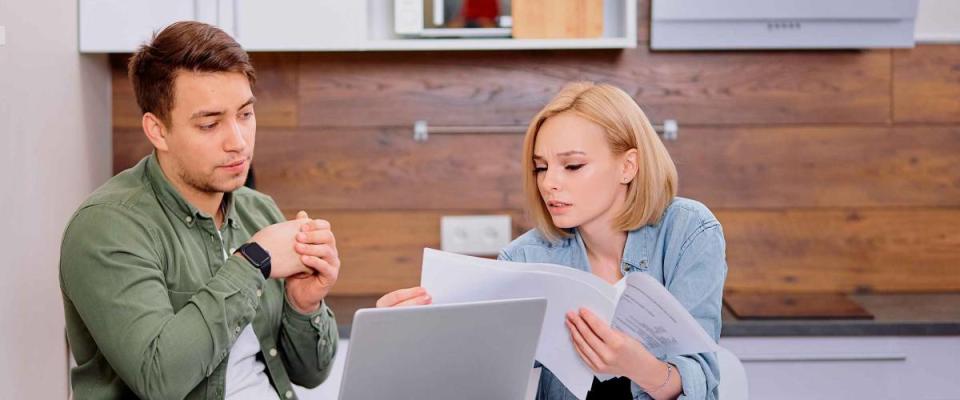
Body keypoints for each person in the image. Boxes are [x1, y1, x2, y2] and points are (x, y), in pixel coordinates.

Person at [377, 82, 726, 400]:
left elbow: (701, 379)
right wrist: (409, 341)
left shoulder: (689, 232)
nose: (549, 184)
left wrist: (639, 366)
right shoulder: (523, 259)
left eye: (572, 166)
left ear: (628, 166)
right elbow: (487, 381)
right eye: (541, 168)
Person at [60, 21, 339, 400]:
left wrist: (304, 304)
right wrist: (253, 261)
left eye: (245, 115)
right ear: (157, 130)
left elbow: (311, 374)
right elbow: (159, 379)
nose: (238, 142)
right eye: (210, 124)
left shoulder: (259, 210)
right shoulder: (106, 227)